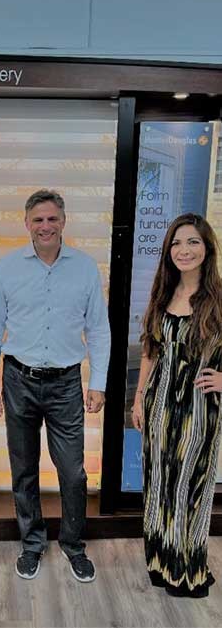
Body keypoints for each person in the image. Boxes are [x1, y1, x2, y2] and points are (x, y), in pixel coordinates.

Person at [0, 189, 110, 583]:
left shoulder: (86, 269)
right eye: (38, 219)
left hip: (67, 383)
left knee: (73, 472)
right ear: (27, 224)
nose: (45, 226)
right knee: (24, 469)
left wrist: (98, 382)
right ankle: (32, 544)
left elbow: (99, 330)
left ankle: (73, 545)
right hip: (18, 379)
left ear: (64, 222)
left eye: (52, 219)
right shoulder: (6, 269)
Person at [132, 213, 222, 598]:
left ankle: (189, 570)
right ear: (169, 251)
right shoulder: (163, 292)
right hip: (159, 406)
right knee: (159, 484)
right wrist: (138, 399)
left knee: (190, 486)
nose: (184, 250)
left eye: (193, 242)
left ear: (207, 248)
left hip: (199, 408)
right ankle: (163, 562)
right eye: (177, 243)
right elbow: (150, 351)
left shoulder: (218, 296)